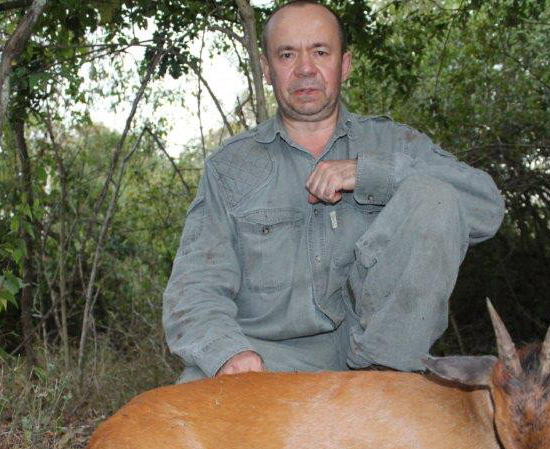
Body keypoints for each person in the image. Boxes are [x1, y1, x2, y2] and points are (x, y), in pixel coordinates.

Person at [163, 0, 505, 383]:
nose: (305, 68)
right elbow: (194, 289)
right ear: (266, 68)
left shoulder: (396, 143)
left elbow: (486, 207)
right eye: (287, 54)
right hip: (274, 362)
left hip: (386, 362)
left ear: (344, 65)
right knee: (191, 394)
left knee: (434, 194)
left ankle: (386, 383)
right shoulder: (229, 168)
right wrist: (231, 353)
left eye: (320, 52)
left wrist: (371, 173)